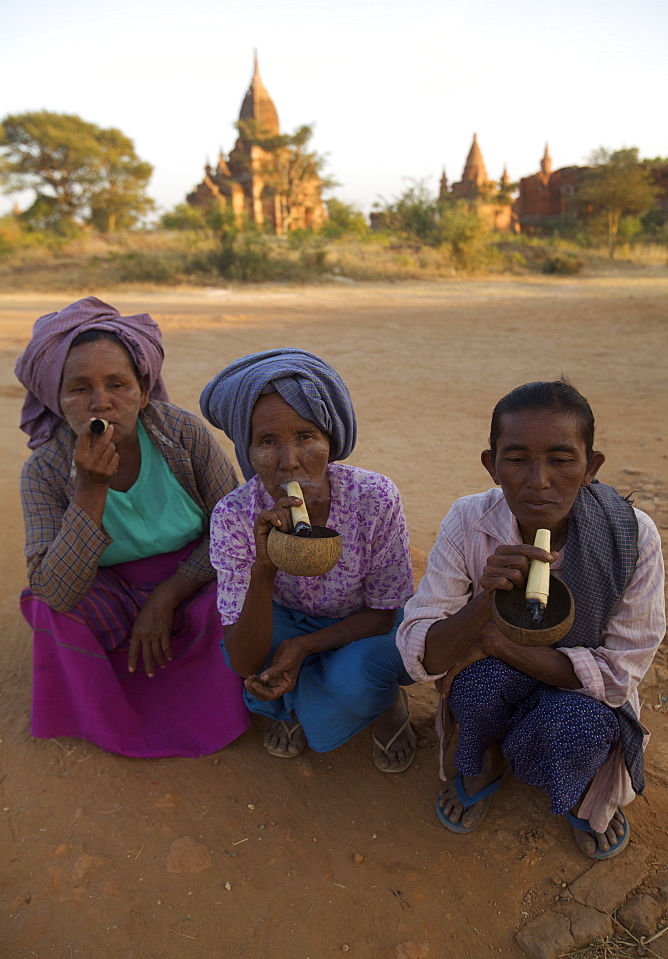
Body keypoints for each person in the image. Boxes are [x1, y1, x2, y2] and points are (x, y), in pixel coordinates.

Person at [397, 380, 665, 859]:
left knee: (575, 726)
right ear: (491, 465)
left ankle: (578, 787)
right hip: (503, 677)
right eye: (516, 459)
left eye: (562, 460)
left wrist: (497, 641)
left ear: (591, 468)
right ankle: (486, 759)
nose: (538, 480)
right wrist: (483, 601)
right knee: (473, 688)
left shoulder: (631, 535)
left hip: (580, 696)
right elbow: (424, 655)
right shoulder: (469, 521)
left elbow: (619, 677)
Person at [16, 296, 250, 758]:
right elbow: (57, 590)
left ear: (143, 393)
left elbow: (234, 530)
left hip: (194, 577)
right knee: (52, 611)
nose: (100, 402)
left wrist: (167, 595)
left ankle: (205, 702)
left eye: (118, 384)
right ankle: (110, 712)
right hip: (111, 587)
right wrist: (89, 489)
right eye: (79, 388)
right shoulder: (43, 471)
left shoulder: (182, 435)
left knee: (239, 598)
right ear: (56, 400)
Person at [200, 348, 416, 770]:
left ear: (330, 440)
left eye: (305, 437)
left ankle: (385, 703)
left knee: (357, 682)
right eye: (266, 442)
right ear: (247, 452)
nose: (289, 461)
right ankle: (291, 702)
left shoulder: (373, 498)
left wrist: (303, 646)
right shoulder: (234, 514)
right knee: (250, 656)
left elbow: (381, 614)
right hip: (285, 616)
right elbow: (242, 660)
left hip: (363, 624)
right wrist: (265, 566)